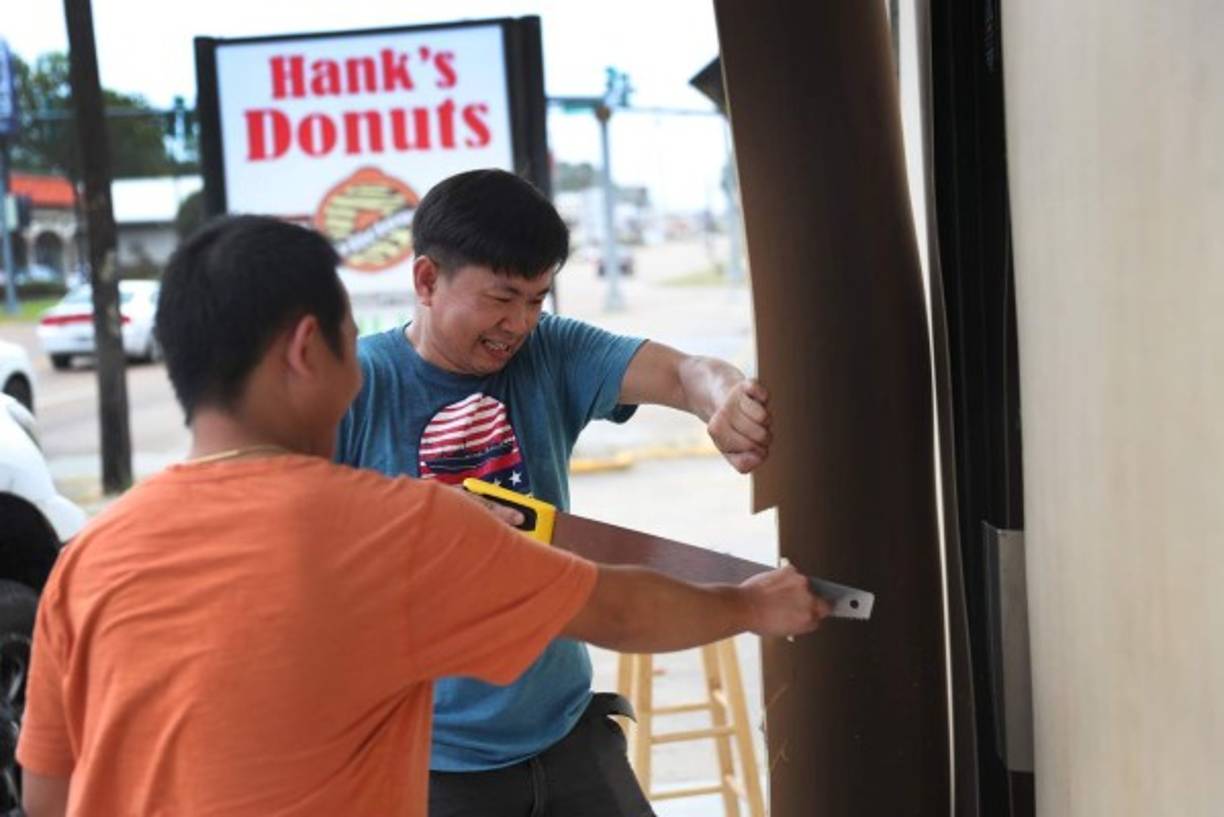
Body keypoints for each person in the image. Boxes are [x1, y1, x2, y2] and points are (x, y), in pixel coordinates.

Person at [16, 215, 828, 817]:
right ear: (308, 350)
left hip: (560, 735)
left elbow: (49, 791)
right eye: (345, 330)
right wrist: (754, 602)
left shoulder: (88, 557)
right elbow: (613, 606)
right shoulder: (403, 528)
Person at [336, 169, 778, 817]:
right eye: (501, 298)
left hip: (566, 734)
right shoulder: (356, 388)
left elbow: (686, 374)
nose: (519, 323)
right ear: (426, 280)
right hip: (424, 761)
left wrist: (727, 398)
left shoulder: (550, 351)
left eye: (537, 299)